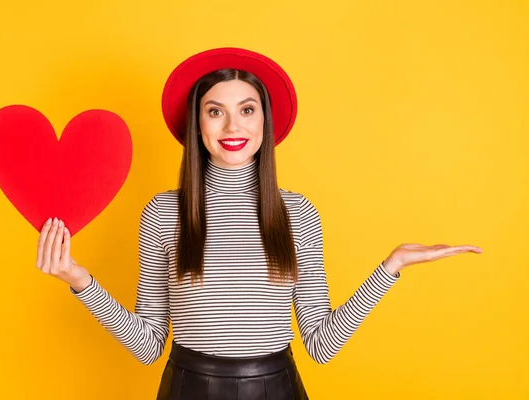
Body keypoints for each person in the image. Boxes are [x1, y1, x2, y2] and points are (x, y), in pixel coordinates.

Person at [35, 47, 483, 400]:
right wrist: (79, 280)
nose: (233, 124)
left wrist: (390, 268)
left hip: (276, 389)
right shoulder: (163, 212)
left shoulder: (297, 213)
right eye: (215, 111)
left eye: (247, 109)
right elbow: (149, 344)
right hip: (188, 390)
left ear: (265, 121)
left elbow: (322, 344)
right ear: (197, 123)